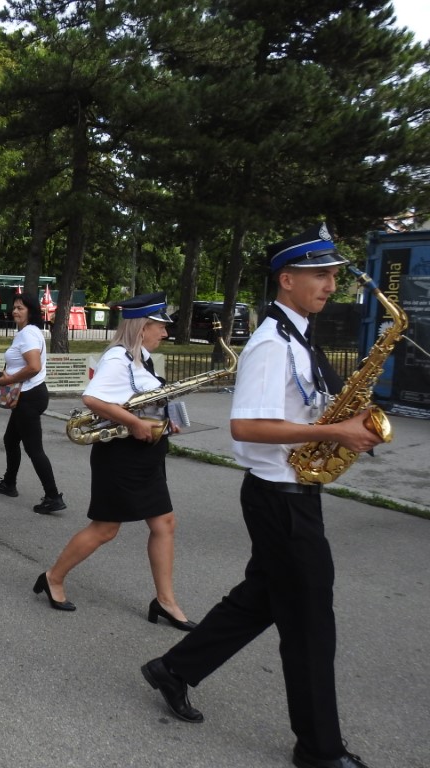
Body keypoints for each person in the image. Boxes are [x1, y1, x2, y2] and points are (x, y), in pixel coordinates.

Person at [141, 224, 381, 768]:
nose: (329, 285)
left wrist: (344, 427)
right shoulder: (272, 344)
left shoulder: (298, 335)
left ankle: (173, 670)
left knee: (265, 598)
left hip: (292, 490)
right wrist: (335, 434)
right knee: (311, 622)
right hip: (280, 496)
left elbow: (291, 412)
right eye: (320, 275)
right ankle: (319, 750)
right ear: (287, 279)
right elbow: (246, 427)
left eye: (333, 276)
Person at [34, 293, 194, 629]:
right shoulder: (118, 359)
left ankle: (165, 601)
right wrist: (135, 423)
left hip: (148, 454)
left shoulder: (143, 360)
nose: (164, 333)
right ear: (141, 327)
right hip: (121, 455)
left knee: (164, 524)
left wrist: (163, 421)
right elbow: (92, 398)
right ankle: (53, 577)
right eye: (160, 327)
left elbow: (137, 400)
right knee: (106, 529)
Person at [0, 292, 66, 513]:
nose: (15, 311)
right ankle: (9, 483)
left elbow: (33, 367)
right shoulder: (26, 333)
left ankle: (53, 496)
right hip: (29, 394)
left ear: (31, 311)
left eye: (20, 308)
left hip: (29, 396)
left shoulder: (28, 334)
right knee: (10, 440)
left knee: (34, 449)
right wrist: (6, 373)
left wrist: (8, 379)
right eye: (14, 307)